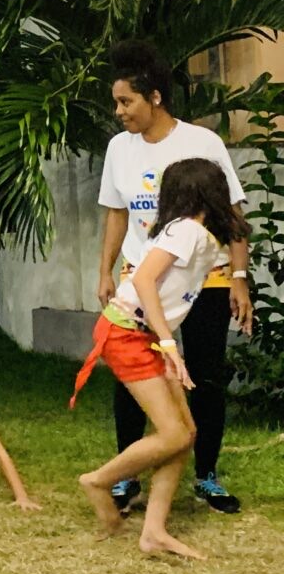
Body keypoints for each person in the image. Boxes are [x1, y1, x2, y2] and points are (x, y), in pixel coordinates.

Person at [93, 39, 252, 515]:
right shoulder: (119, 148)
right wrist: (105, 270)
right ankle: (126, 478)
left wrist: (240, 276)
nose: (120, 112)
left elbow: (231, 212)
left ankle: (206, 475)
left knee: (204, 375)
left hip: (207, 277)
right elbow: (116, 215)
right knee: (131, 380)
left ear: (155, 97)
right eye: (116, 102)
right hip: (143, 279)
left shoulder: (202, 143)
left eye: (127, 101)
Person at [73, 158, 250, 559]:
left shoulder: (196, 234)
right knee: (173, 434)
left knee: (185, 434)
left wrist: (166, 342)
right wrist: (171, 347)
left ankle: (153, 531)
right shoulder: (186, 230)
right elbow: (143, 280)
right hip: (127, 332)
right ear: (208, 192)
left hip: (143, 333)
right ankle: (99, 480)